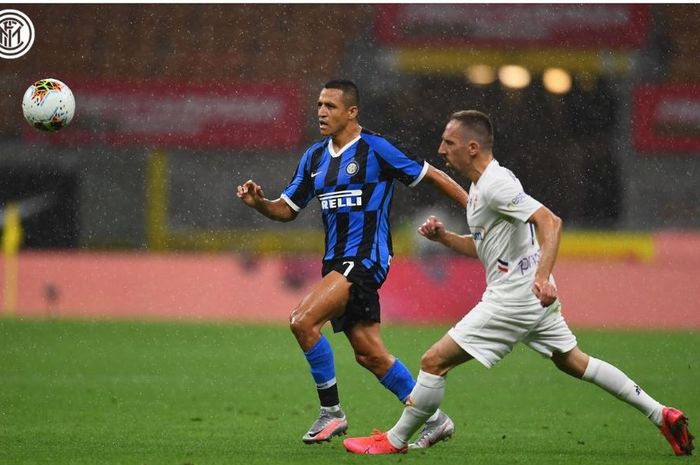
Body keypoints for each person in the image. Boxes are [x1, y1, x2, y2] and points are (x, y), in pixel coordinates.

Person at [343, 110, 694, 456]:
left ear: (473, 147)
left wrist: (542, 278)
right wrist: (445, 237)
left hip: (514, 297)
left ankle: (396, 439)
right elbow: (483, 248)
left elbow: (550, 222)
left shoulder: (497, 185)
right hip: (527, 294)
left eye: (449, 142)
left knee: (434, 360)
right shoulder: (482, 186)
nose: (441, 149)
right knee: (573, 361)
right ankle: (661, 413)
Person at [236, 80, 467, 446]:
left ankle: (332, 413)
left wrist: (475, 208)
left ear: (352, 112)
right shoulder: (314, 158)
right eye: (318, 105)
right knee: (369, 354)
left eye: (330, 106)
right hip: (336, 264)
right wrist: (260, 204)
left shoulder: (376, 149)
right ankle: (434, 418)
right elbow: (287, 209)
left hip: (365, 259)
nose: (321, 112)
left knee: (302, 320)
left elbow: (431, 175)